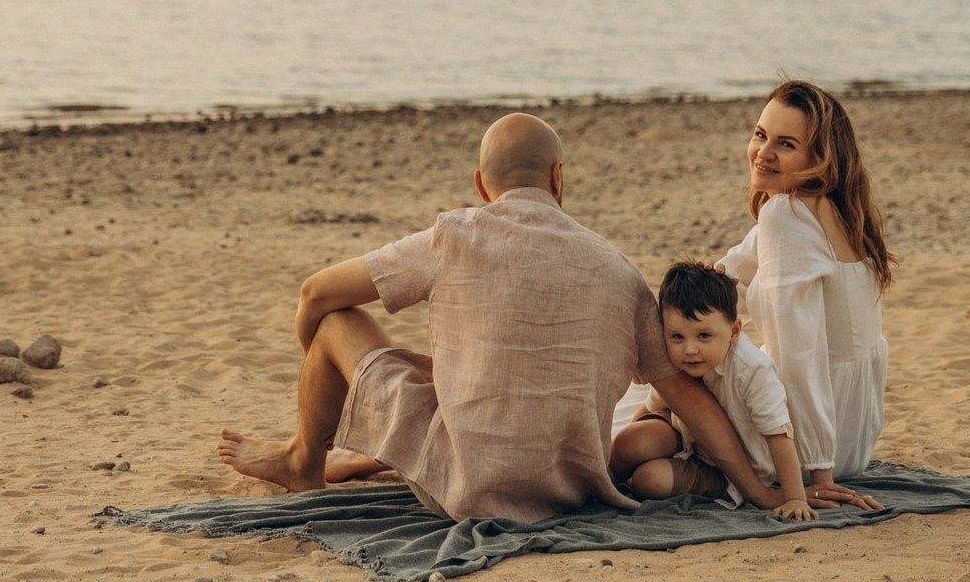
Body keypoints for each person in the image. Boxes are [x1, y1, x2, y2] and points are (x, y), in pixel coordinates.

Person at [218, 112, 792, 523]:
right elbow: (688, 396)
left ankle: (303, 457)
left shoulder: (452, 235)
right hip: (570, 489)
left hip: (464, 488)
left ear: (481, 185)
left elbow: (314, 293)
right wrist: (762, 493)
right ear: (558, 178)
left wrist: (330, 392)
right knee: (439, 371)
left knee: (335, 321)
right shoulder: (618, 270)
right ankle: (341, 448)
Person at [715, 80, 895, 498]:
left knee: (676, 372)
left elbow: (800, 353)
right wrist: (708, 284)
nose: (763, 152)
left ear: (819, 159)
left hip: (798, 448)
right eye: (761, 134)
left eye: (786, 144)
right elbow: (735, 279)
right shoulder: (839, 212)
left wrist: (817, 473)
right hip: (854, 436)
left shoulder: (786, 215)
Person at [610, 261, 815, 521]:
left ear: (734, 331)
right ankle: (601, 483)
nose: (690, 350)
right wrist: (634, 439)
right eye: (677, 337)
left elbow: (779, 435)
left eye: (704, 336)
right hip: (685, 438)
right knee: (631, 442)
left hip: (724, 468)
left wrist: (794, 496)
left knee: (649, 481)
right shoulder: (682, 360)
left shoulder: (753, 370)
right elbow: (653, 406)